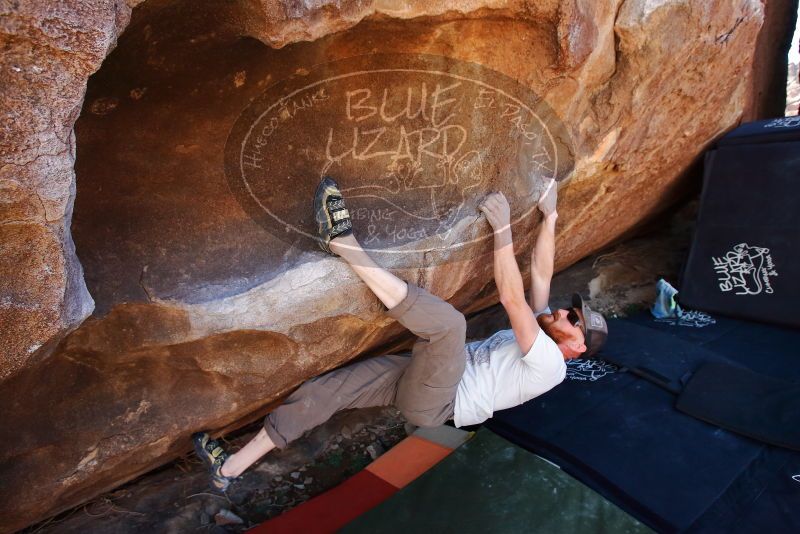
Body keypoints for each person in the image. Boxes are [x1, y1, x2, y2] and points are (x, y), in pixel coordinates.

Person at [193, 176, 608, 491]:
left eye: (573, 319)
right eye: (572, 310)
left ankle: (343, 242)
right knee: (331, 391)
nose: (563, 312)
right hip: (427, 380)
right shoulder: (547, 333)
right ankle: (229, 468)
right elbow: (541, 273)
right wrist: (550, 216)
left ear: (577, 347)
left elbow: (513, 300)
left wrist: (503, 229)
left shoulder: (552, 365)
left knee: (449, 326)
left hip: (440, 399)